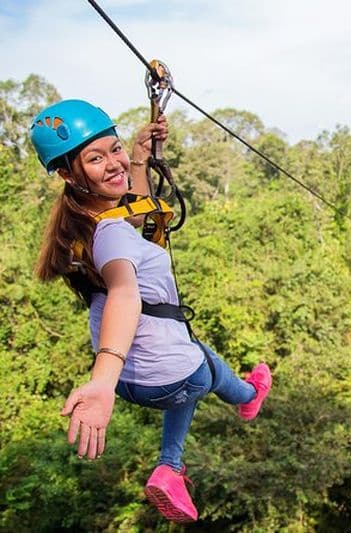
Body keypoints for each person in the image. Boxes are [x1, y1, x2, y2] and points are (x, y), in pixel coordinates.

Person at [30, 99, 272, 524]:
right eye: (95, 158)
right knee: (205, 369)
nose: (113, 163)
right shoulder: (110, 235)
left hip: (131, 384)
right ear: (69, 174)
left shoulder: (86, 223)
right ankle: (249, 399)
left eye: (115, 148)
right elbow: (125, 293)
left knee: (189, 365)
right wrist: (100, 382)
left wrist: (140, 158)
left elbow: (130, 215)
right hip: (141, 379)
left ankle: (172, 465)